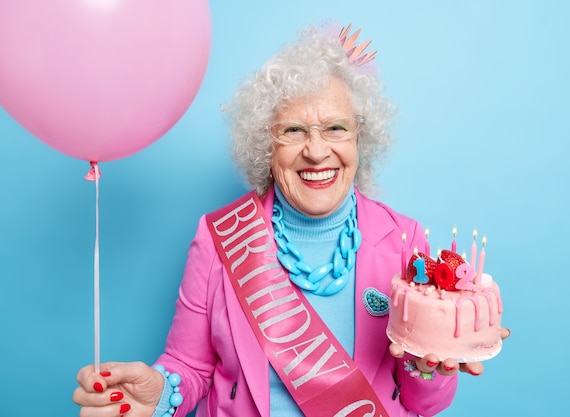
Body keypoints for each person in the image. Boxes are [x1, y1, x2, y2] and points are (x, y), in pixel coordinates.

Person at [74, 23, 509, 417]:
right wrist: (161, 392)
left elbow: (422, 403)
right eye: (294, 130)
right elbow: (189, 367)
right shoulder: (219, 236)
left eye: (336, 128)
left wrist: (427, 364)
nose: (317, 152)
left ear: (361, 138)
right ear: (267, 144)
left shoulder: (402, 239)